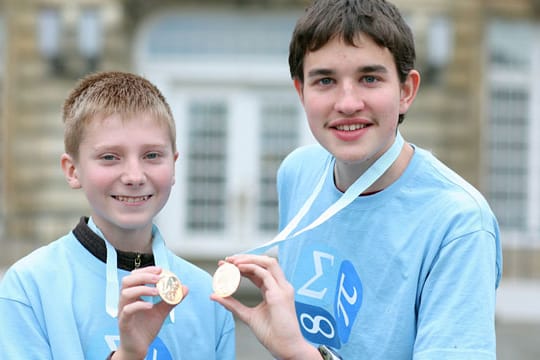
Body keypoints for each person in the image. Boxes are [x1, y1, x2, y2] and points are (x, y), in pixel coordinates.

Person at [211, 0, 502, 359]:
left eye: (369, 78)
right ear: (301, 92)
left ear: (406, 91)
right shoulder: (297, 172)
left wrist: (300, 353)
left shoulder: (459, 223)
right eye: (326, 80)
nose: (348, 103)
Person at [0, 71, 235, 359]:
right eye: (110, 157)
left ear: (174, 165)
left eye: (151, 155)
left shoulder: (206, 296)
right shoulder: (29, 287)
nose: (135, 176)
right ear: (73, 171)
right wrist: (128, 354)